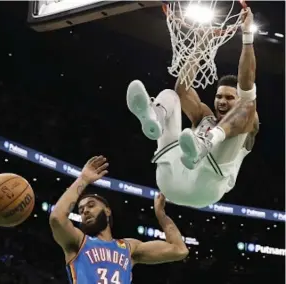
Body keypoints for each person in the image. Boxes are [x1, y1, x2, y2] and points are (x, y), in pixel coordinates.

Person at [126, 8, 259, 208]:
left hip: (206, 185)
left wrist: (247, 35)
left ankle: (208, 143)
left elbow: (247, 86)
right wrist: (202, 44)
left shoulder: (250, 124)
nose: (222, 101)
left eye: (229, 98)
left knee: (248, 107)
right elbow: (183, 89)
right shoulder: (204, 116)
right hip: (170, 178)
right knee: (171, 95)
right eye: (219, 96)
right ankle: (154, 119)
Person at [49, 156, 188, 283]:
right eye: (80, 210)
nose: (85, 211)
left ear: (107, 211)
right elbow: (57, 218)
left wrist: (161, 215)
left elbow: (179, 250)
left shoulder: (129, 248)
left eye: (91, 205)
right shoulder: (78, 241)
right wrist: (83, 180)